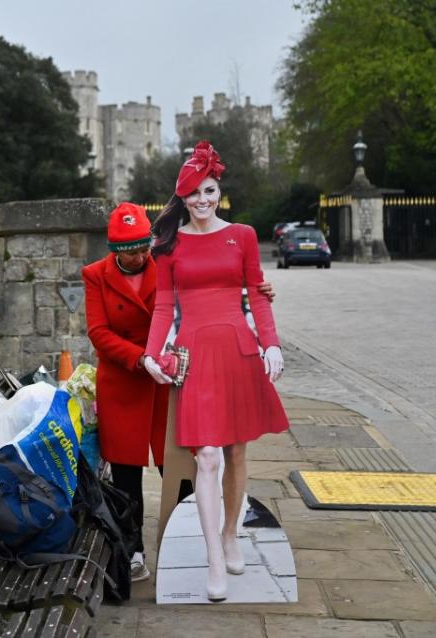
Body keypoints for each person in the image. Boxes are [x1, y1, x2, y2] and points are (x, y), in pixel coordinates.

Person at [82, 202, 273, 583]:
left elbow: (214, 290)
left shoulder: (168, 262)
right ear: (114, 251)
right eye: (130, 252)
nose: (139, 257)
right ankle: (132, 549)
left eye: (142, 248)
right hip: (124, 380)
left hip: (169, 381)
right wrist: (141, 358)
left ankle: (183, 542)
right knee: (125, 475)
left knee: (181, 467)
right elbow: (98, 333)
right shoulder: (95, 276)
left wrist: (258, 292)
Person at [141, 140, 289, 602]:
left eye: (208, 191)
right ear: (181, 198)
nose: (201, 200)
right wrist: (150, 353)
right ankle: (212, 558)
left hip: (239, 353)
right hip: (195, 356)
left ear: (218, 190)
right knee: (207, 456)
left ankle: (231, 534)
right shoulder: (168, 246)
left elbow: (258, 294)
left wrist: (272, 344)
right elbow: (165, 304)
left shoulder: (243, 235)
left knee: (237, 453)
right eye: (192, 194)